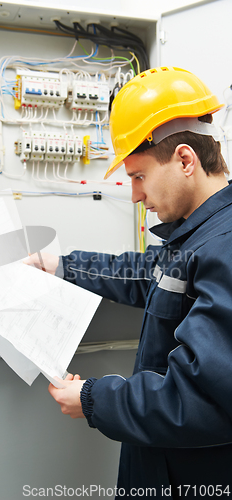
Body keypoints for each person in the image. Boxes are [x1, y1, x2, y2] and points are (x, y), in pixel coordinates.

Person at [24, 67, 232, 498]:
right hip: (163, 462)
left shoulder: (225, 246)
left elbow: (203, 399)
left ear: (185, 161)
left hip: (195, 477)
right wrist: (59, 265)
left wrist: (93, 399)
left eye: (138, 176)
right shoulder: (199, 234)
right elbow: (144, 275)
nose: (135, 195)